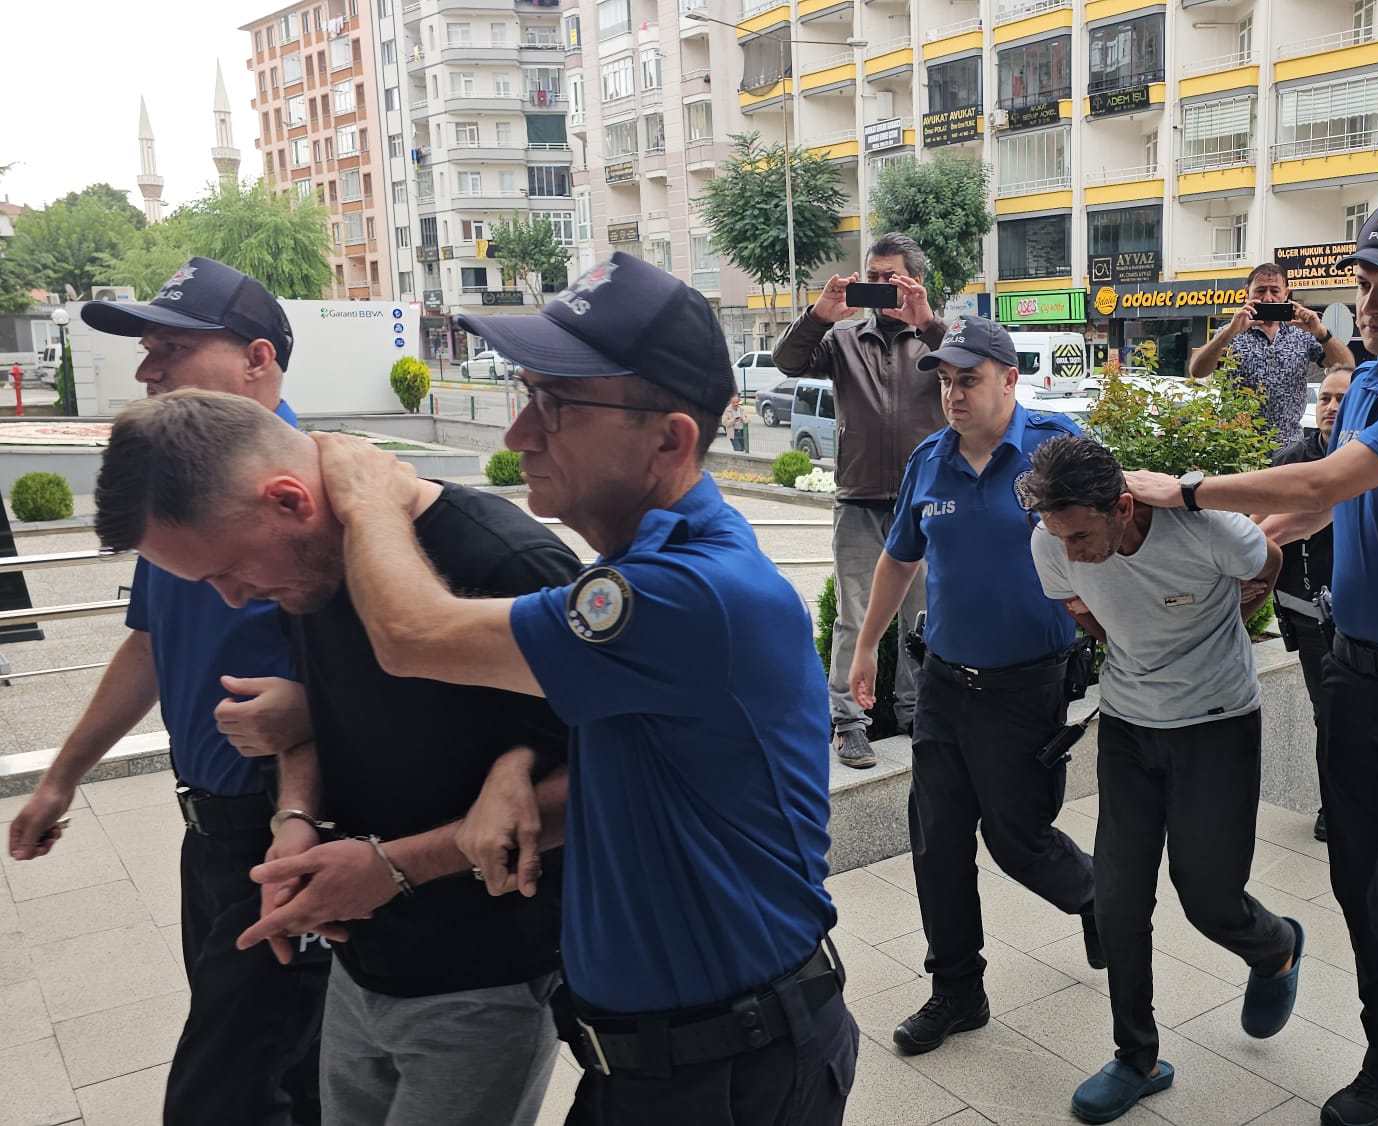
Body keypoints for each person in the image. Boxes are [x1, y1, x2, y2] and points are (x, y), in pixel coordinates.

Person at [281, 252, 857, 1125]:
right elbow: (636, 755)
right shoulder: (648, 570)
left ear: (670, 441)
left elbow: (409, 635)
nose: (519, 435)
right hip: (652, 1062)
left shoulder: (687, 592)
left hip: (727, 1075)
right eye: (526, 396)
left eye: (555, 405)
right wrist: (516, 760)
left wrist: (371, 496)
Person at [1122, 198, 1378, 1126]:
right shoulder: (1376, 386)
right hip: (1359, 675)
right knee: (1356, 881)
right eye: (1365, 287)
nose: (1373, 306)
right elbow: (1315, 508)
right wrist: (1241, 561)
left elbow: (1324, 478)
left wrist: (1184, 490)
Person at [94, 389, 578, 1126]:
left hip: (486, 977)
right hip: (358, 963)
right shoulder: (309, 572)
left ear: (289, 500)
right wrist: (295, 817)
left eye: (229, 570)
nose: (235, 599)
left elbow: (603, 781)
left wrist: (393, 867)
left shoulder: (503, 558)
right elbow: (319, 717)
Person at [6, 258, 328, 1126]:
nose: (148, 371)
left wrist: (311, 719)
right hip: (209, 834)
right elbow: (150, 646)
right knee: (295, 1078)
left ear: (257, 360)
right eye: (146, 350)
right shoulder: (178, 495)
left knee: (222, 1094)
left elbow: (408, 675)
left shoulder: (323, 497)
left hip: (287, 835)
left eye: (171, 349)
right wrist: (62, 778)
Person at [1024, 435, 1300, 1125]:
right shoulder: (1050, 542)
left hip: (1217, 727)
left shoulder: (1207, 529)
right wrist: (1139, 648)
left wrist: (1222, 626)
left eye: (1081, 536)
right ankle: (1137, 1058)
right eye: (1059, 537)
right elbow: (1081, 609)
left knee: (1209, 899)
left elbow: (1269, 562)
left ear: (1122, 507)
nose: (1069, 552)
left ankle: (1274, 948)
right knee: (1117, 900)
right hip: (1128, 728)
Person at [845, 316, 1100, 1056]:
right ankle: (957, 991)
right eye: (946, 383)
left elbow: (1115, 538)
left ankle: (1096, 896)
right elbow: (899, 557)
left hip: (1028, 686)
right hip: (945, 685)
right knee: (938, 844)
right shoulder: (930, 461)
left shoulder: (1056, 447)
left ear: (1010, 379)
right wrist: (867, 646)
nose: (954, 395)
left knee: (1019, 840)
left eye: (969, 380)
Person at [775, 232, 946, 768]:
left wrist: (927, 322)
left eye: (890, 277)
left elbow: (976, 369)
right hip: (858, 499)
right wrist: (819, 316)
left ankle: (916, 713)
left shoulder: (937, 340)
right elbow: (787, 361)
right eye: (872, 277)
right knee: (854, 616)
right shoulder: (843, 339)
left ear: (915, 280)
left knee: (920, 616)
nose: (878, 285)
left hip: (921, 502)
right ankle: (848, 722)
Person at [1264, 365, 1353, 844]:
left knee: (1353, 713)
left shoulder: (1371, 463)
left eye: (1343, 399)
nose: (1332, 408)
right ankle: (1334, 806)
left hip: (1363, 617)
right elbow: (1260, 528)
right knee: (1329, 712)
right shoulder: (1289, 460)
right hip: (1307, 615)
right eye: (1326, 399)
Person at [1189, 262, 1356, 436]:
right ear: (1247, 292)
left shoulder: (1302, 332)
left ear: (1286, 293)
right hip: (1239, 444)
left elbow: (1348, 368)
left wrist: (1321, 332)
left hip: (1289, 443)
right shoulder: (1230, 332)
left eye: (1275, 291)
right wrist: (1228, 333)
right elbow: (1198, 371)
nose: (1268, 298)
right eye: (1260, 291)